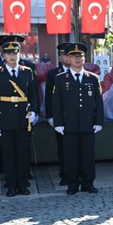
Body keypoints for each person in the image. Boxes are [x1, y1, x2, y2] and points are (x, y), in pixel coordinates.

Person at [0, 35, 39, 197]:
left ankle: (22, 184)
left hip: (23, 118)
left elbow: (33, 95)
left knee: (23, 154)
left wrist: (34, 112)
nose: (12, 56)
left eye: (15, 53)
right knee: (8, 154)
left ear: (19, 54)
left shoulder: (27, 72)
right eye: (9, 54)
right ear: (3, 55)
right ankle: (10, 185)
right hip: (5, 119)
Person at [51, 43, 104, 195]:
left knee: (88, 156)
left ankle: (88, 183)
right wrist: (58, 123)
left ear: (84, 58)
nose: (78, 59)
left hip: (88, 124)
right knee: (71, 156)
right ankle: (72, 184)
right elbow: (57, 103)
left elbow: (98, 102)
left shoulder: (92, 78)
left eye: (80, 56)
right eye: (74, 56)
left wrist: (99, 121)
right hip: (69, 125)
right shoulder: (60, 79)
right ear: (68, 59)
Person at [45, 44, 71, 185]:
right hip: (60, 116)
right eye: (64, 55)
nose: (67, 58)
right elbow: (49, 96)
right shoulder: (54, 73)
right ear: (60, 57)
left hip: (75, 116)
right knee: (62, 148)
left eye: (69, 55)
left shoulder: (78, 71)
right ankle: (64, 174)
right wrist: (50, 116)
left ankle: (77, 173)